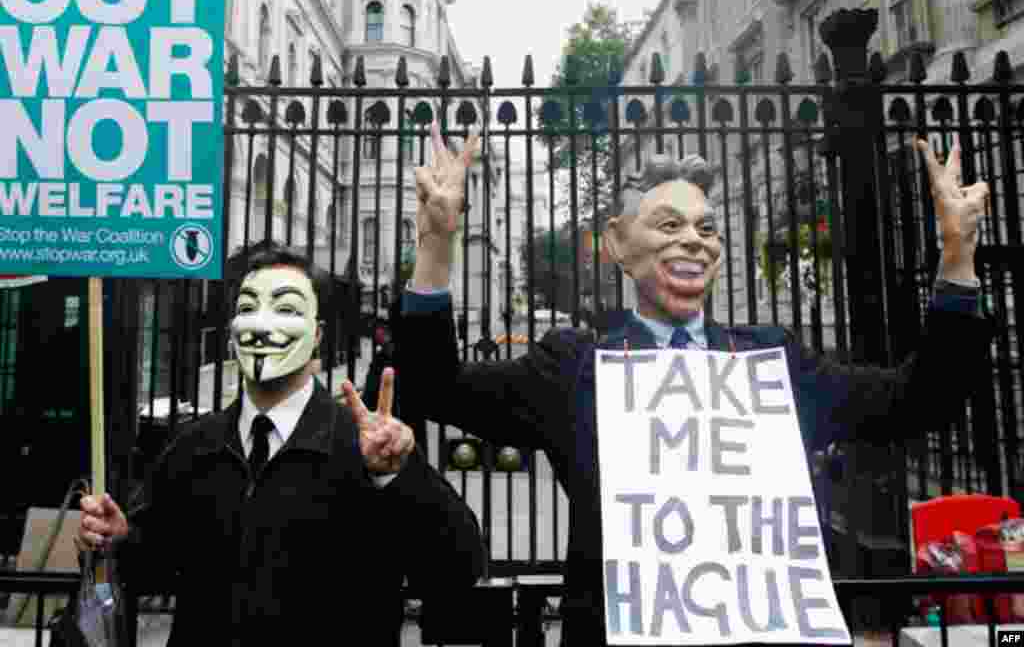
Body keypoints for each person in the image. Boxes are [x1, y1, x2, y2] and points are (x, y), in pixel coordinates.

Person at [394, 124, 993, 646]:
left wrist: (958, 254)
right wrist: (437, 244)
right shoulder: (575, 367)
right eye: (669, 224)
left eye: (707, 228)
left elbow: (919, 399)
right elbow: (436, 386)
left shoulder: (772, 361)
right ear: (618, 245)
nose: (694, 240)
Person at [77, 244, 484, 647]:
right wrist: (119, 538)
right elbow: (152, 566)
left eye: (287, 310)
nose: (261, 324)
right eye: (248, 308)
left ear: (317, 335)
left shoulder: (364, 450)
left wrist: (400, 476)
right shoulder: (193, 447)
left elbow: (458, 567)